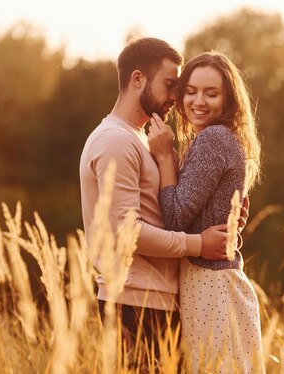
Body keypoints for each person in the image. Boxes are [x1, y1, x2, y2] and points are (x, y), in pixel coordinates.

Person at [78, 38, 233, 365]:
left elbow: (165, 209)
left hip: (155, 301)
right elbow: (125, 232)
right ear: (137, 79)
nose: (176, 97)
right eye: (170, 84)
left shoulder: (139, 138)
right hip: (135, 302)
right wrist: (198, 244)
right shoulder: (115, 141)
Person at [148, 51, 264, 373]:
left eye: (211, 94)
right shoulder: (218, 139)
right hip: (215, 280)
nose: (198, 101)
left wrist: (163, 159)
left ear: (227, 99)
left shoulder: (213, 139)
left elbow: (174, 219)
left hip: (208, 284)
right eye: (191, 91)